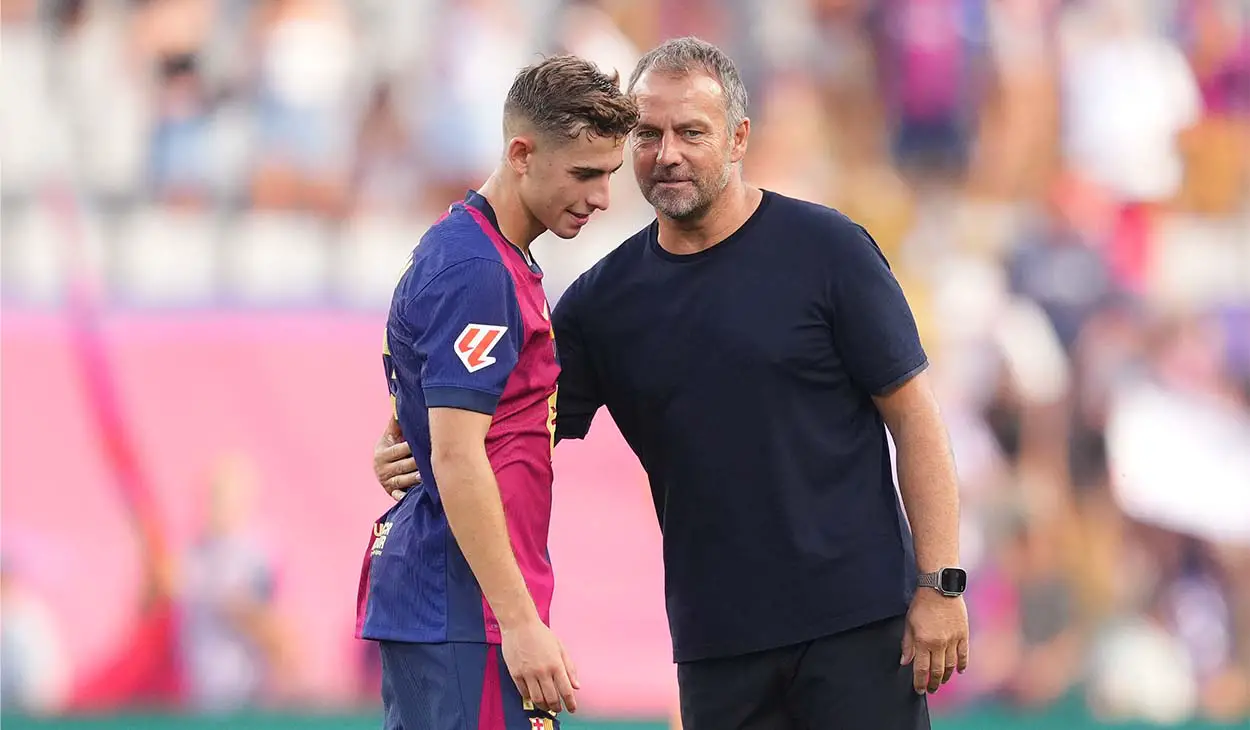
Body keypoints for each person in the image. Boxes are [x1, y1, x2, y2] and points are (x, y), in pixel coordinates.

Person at [374, 38, 969, 729]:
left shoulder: (829, 251)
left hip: (858, 631)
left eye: (692, 132)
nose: (668, 154)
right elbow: (506, 426)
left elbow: (916, 419)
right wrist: (413, 440)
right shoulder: (600, 305)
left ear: (739, 137)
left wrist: (941, 583)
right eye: (649, 135)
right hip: (718, 651)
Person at [358, 55, 638, 729]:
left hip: (461, 602)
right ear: (521, 152)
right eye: (585, 173)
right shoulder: (478, 271)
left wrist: (409, 445)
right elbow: (457, 455)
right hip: (465, 606)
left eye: (609, 175)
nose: (602, 196)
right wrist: (518, 623)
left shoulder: (482, 253)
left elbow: (434, 421)